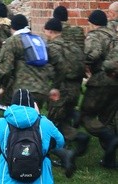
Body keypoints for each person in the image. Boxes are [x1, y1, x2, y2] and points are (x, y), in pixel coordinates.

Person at [0, 88, 66, 184]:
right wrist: (39, 115)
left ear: (12, 105)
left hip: (6, 179)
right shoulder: (45, 123)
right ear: (33, 106)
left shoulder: (0, 123)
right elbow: (60, 143)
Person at [42, 18, 90, 159]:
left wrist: (54, 86)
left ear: (50, 31)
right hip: (75, 89)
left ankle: (73, 143)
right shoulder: (73, 46)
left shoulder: (51, 47)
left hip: (61, 90)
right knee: (63, 119)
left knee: (53, 122)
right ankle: (67, 146)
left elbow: (54, 70)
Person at [80, 9, 118, 168]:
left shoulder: (96, 35)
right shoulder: (114, 35)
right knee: (106, 120)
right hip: (116, 82)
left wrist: (83, 64)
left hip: (102, 81)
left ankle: (110, 138)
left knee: (85, 116)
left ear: (93, 23)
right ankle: (109, 160)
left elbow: (91, 55)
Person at [0, 15, 52, 108]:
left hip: (23, 91)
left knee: (21, 119)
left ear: (12, 28)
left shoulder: (12, 41)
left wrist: (2, 86)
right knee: (34, 118)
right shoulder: (39, 40)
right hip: (42, 90)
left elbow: (5, 70)